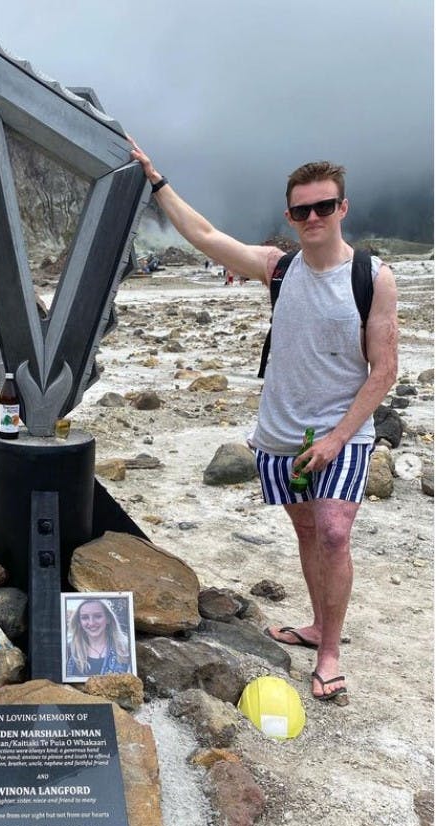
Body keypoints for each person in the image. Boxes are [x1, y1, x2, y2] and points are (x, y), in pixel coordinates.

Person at [129, 141, 398, 702]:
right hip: (280, 432)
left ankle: (330, 651)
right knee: (306, 530)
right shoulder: (278, 268)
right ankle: (319, 623)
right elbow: (205, 236)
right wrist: (156, 181)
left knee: (333, 532)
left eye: (324, 207)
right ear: (289, 217)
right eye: (302, 211)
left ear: (343, 208)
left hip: (341, 432)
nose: (313, 218)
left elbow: (384, 370)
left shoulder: (374, 277)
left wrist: (337, 438)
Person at [65, 598, 131, 677]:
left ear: (108, 619)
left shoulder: (126, 648)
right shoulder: (68, 649)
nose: (91, 623)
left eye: (98, 616)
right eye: (85, 617)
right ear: (79, 622)